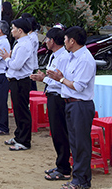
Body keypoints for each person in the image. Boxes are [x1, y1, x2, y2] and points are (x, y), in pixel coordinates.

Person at [47, 26, 96, 189]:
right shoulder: (73, 57)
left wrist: (60, 79)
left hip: (80, 105)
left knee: (81, 144)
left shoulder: (85, 59)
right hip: (70, 103)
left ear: (72, 41)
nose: (64, 42)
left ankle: (81, 181)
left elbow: (79, 86)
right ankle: (77, 178)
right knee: (74, 143)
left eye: (66, 39)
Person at [30, 28, 71, 181]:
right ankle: (61, 164)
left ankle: (64, 168)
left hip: (59, 96)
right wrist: (43, 77)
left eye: (47, 39)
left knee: (60, 132)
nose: (45, 41)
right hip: (53, 95)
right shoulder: (54, 56)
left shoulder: (63, 57)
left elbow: (62, 82)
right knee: (56, 132)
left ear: (53, 41)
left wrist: (43, 80)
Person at [0, 18, 34, 151]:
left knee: (22, 111)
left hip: (21, 81)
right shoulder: (20, 42)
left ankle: (25, 140)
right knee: (18, 111)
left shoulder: (24, 44)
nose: (12, 31)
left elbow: (16, 65)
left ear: (20, 30)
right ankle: (19, 136)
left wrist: (7, 59)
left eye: (13, 28)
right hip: (16, 81)